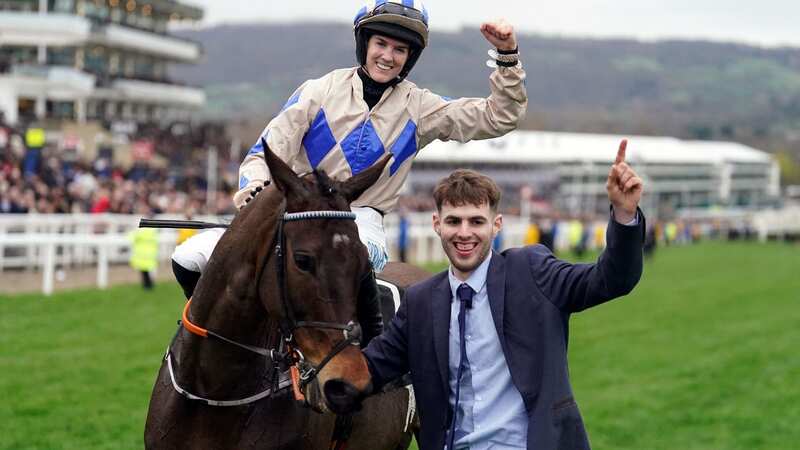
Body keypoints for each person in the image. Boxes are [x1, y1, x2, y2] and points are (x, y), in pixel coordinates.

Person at [171, 0, 528, 347]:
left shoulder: (420, 108)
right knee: (188, 259)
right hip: (294, 212)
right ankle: (206, 345)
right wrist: (256, 193)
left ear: (410, 57)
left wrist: (507, 57)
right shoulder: (318, 91)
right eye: (381, 44)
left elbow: (498, 117)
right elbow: (265, 152)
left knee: (350, 256)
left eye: (400, 49)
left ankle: (371, 359)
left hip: (361, 218)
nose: (388, 56)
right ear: (365, 43)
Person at [364, 140, 645, 449]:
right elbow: (371, 369)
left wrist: (623, 212)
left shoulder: (532, 271)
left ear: (496, 225)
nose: (464, 232)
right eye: (454, 221)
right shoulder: (420, 302)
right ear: (437, 225)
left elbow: (612, 279)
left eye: (476, 221)